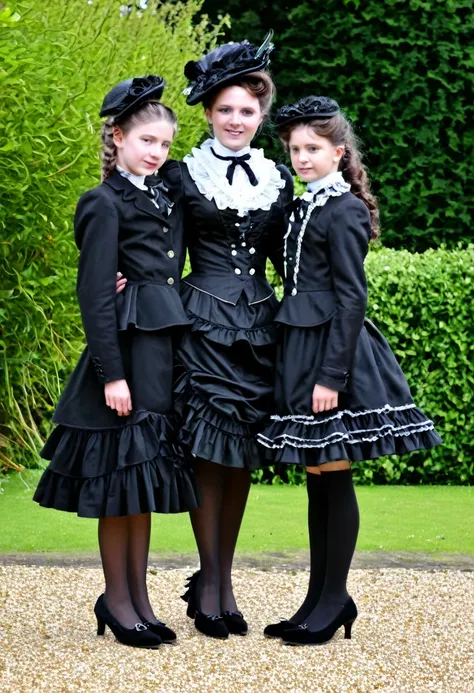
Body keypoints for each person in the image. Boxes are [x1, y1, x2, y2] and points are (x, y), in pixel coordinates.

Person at [258, 96, 442, 646]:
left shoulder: (343, 210)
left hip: (333, 356)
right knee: (318, 477)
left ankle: (334, 599)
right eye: (295, 149)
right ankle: (317, 599)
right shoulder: (302, 206)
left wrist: (330, 377)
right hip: (300, 347)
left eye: (312, 149)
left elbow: (351, 298)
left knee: (333, 475)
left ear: (338, 152)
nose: (302, 158)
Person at [33, 75, 198, 649]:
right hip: (125, 357)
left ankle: (141, 599)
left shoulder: (163, 193)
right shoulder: (102, 203)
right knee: (119, 480)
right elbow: (95, 296)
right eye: (146, 140)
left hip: (162, 353)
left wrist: (173, 170)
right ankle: (117, 599)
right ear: (119, 136)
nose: (156, 152)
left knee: (145, 481)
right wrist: (113, 375)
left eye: (164, 145)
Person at [162, 33, 293, 639]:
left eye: (247, 110)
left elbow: (293, 258)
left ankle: (224, 580)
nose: (236, 119)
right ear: (209, 112)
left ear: (260, 115)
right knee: (205, 455)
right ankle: (210, 582)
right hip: (201, 324)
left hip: (260, 330)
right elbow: (158, 249)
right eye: (226, 110)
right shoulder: (182, 174)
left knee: (240, 457)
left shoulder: (279, 179)